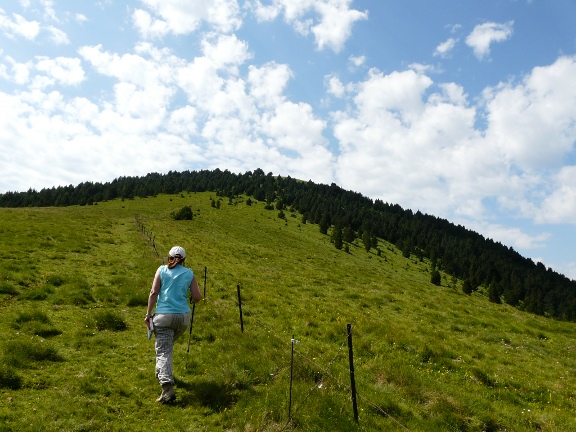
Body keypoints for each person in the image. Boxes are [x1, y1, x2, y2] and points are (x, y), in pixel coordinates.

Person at [144, 245, 202, 403]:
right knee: (166, 347)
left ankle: (167, 388)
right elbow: (197, 297)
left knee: (163, 351)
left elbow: (154, 292)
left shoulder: (162, 270)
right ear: (184, 260)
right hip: (183, 317)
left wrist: (148, 314)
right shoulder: (189, 273)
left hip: (163, 316)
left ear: (168, 256)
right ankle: (162, 371)